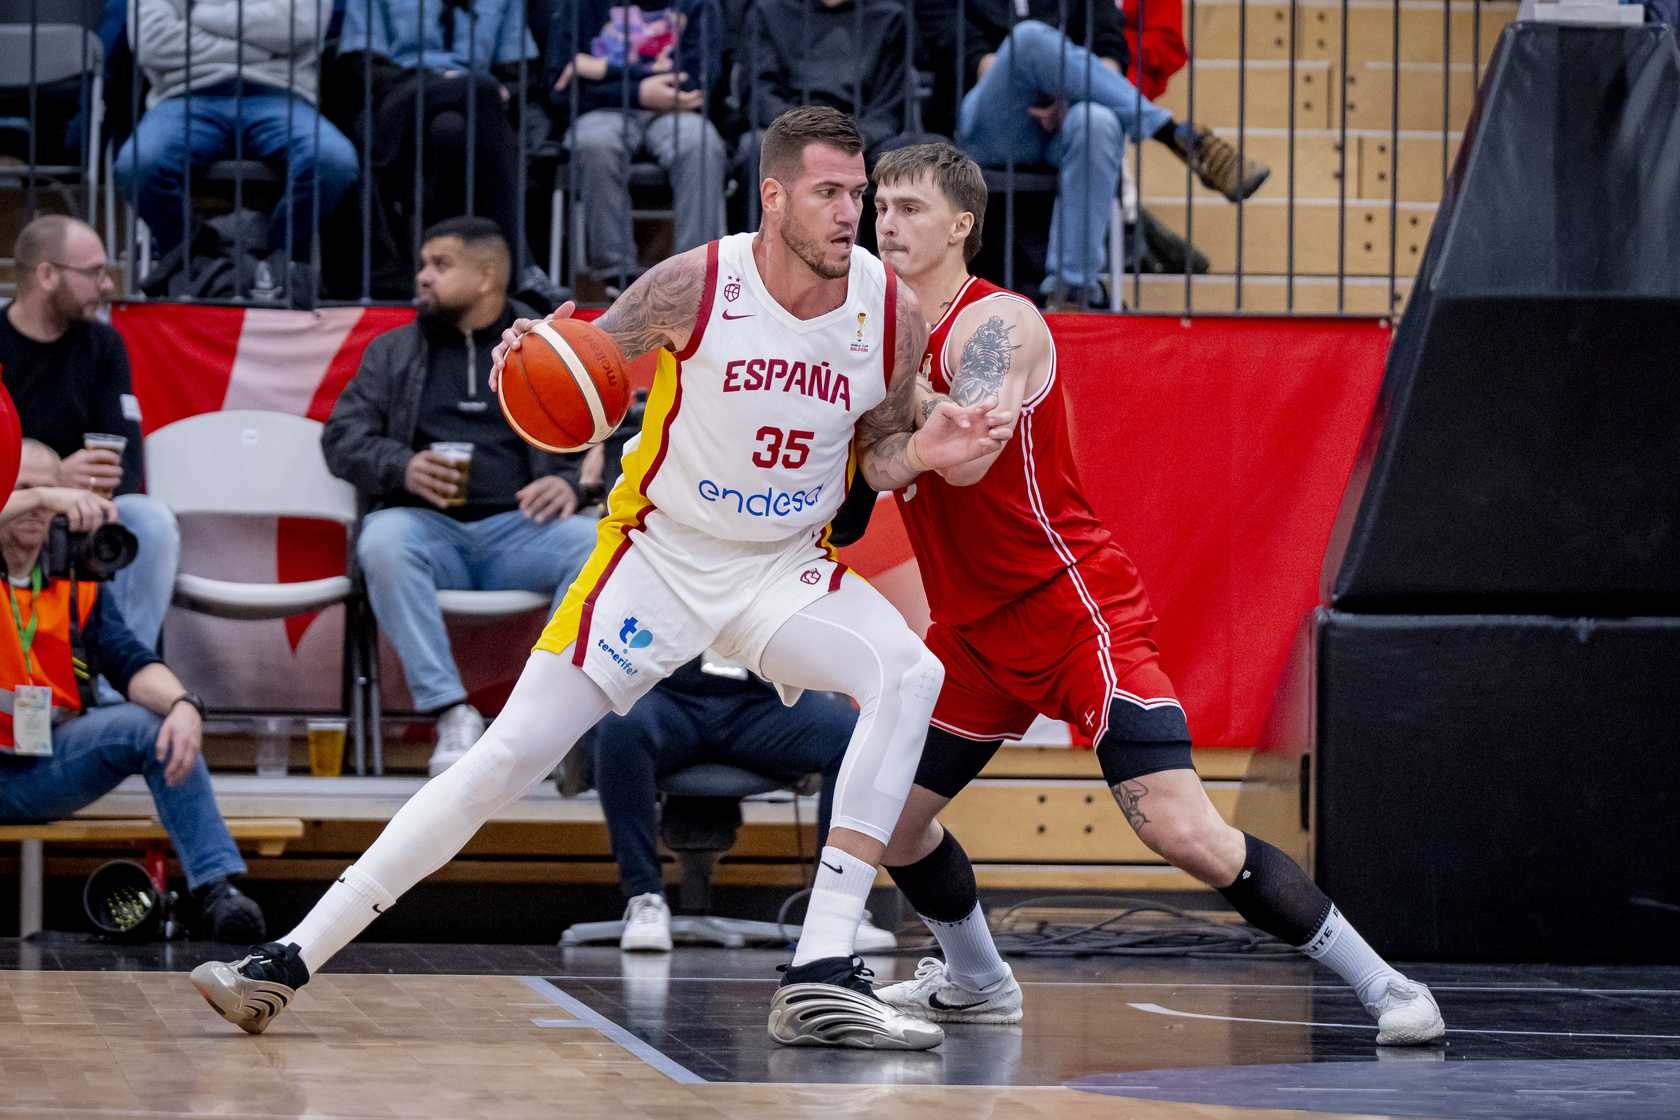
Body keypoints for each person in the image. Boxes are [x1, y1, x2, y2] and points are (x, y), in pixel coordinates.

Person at [191, 105, 1011, 1051]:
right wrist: (526, 358)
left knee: (909, 673)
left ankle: (822, 968)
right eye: (830, 192)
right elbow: (577, 369)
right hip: (658, 557)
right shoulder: (694, 284)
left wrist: (928, 449)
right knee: (505, 758)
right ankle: (287, 959)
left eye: (857, 193)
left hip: (783, 567)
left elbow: (880, 449)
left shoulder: (888, 310)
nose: (850, 213)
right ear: (775, 196)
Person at [865, 142, 1445, 1046]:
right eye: (879, 206)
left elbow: (967, 461)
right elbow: (878, 466)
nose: (886, 223)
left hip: (1070, 609)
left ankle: (1389, 987)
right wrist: (899, 432)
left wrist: (896, 420)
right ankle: (977, 980)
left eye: (908, 208)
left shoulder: (997, 323)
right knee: (892, 822)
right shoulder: (879, 335)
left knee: (1183, 831)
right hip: (973, 634)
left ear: (960, 225)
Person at [321, 216, 597, 777]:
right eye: (424, 264)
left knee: (595, 543)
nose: (422, 277)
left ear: (487, 276)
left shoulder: (541, 348)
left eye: (440, 265)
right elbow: (341, 438)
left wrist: (570, 483)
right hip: (430, 533)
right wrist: (402, 466)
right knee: (383, 539)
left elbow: (613, 434)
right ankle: (452, 713)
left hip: (520, 531)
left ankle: (542, 720)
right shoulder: (393, 352)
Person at [0, 441, 265, 942]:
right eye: (22, 489)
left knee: (157, 724)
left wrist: (185, 705)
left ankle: (216, 890)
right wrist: (44, 497)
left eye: (49, 489)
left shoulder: (75, 579)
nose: (38, 504)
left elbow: (130, 661)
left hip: (39, 769)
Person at [916, 1, 1268, 306]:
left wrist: (1071, 100)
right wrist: (1054, 85)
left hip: (1066, 116)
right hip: (992, 124)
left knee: (1097, 122)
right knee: (1029, 39)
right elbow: (968, 55)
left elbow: (1110, 49)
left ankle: (1071, 293)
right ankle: (1170, 132)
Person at [0, 217, 181, 706]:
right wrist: (52, 479)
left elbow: (127, 459)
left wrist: (87, 496)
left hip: (83, 515)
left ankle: (114, 692)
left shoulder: (103, 345)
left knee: (150, 521)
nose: (106, 286)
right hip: (9, 507)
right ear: (47, 275)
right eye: (94, 272)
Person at [579, 653, 860, 951]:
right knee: (619, 724)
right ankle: (644, 896)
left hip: (761, 701)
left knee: (852, 734)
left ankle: (834, 911)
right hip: (663, 696)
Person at [113, 0, 358, 288]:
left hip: (280, 95)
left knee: (333, 162)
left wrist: (203, 16)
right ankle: (201, 264)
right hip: (185, 96)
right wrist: (258, 50)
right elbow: (153, 42)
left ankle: (276, 268)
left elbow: (302, 26)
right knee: (137, 165)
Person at [334, 0, 557, 299]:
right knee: (479, 91)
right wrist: (446, 83)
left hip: (474, 113)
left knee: (450, 130)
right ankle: (520, 265)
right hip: (400, 99)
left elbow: (518, 75)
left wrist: (479, 88)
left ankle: (434, 275)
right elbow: (364, 68)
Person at [545, 0, 728, 294]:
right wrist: (639, 91)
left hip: (674, 113)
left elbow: (697, 85)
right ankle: (617, 277)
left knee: (700, 142)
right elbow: (561, 87)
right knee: (595, 143)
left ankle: (695, 274)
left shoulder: (699, 5)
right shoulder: (579, 6)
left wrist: (602, 70)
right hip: (601, 110)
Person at [737, 0, 940, 239]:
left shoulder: (889, 17)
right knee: (756, 149)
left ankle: (892, 261)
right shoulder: (768, 12)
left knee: (918, 158)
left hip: (863, 138)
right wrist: (806, 133)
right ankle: (762, 256)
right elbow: (759, 92)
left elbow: (889, 103)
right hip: (792, 132)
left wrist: (853, 139)